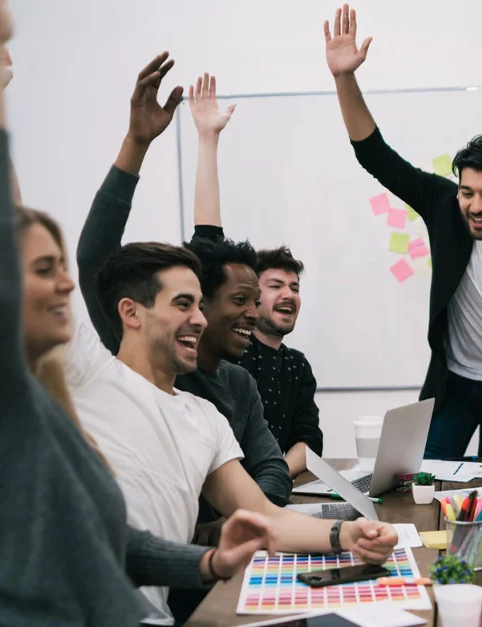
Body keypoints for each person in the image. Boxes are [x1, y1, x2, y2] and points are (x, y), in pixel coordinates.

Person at [0, 7, 276, 624]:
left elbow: (119, 542)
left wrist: (208, 564)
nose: (67, 281)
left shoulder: (52, 416)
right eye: (42, 271)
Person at [68, 57, 398, 625]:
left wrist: (350, 532)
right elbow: (92, 255)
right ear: (130, 314)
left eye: (201, 304)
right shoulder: (92, 374)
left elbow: (265, 518)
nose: (201, 318)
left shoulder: (206, 417)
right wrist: (137, 144)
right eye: (183, 305)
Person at [324, 4, 482, 466]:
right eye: (467, 192)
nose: (476, 206)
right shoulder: (445, 206)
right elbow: (376, 157)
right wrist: (345, 78)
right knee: (419, 479)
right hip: (453, 384)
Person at [185, 74, 324, 478]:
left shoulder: (293, 367)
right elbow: (206, 239)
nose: (288, 295)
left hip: (266, 494)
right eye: (275, 286)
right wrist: (207, 141)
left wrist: (271, 475)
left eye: (295, 287)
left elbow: (308, 441)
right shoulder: (221, 357)